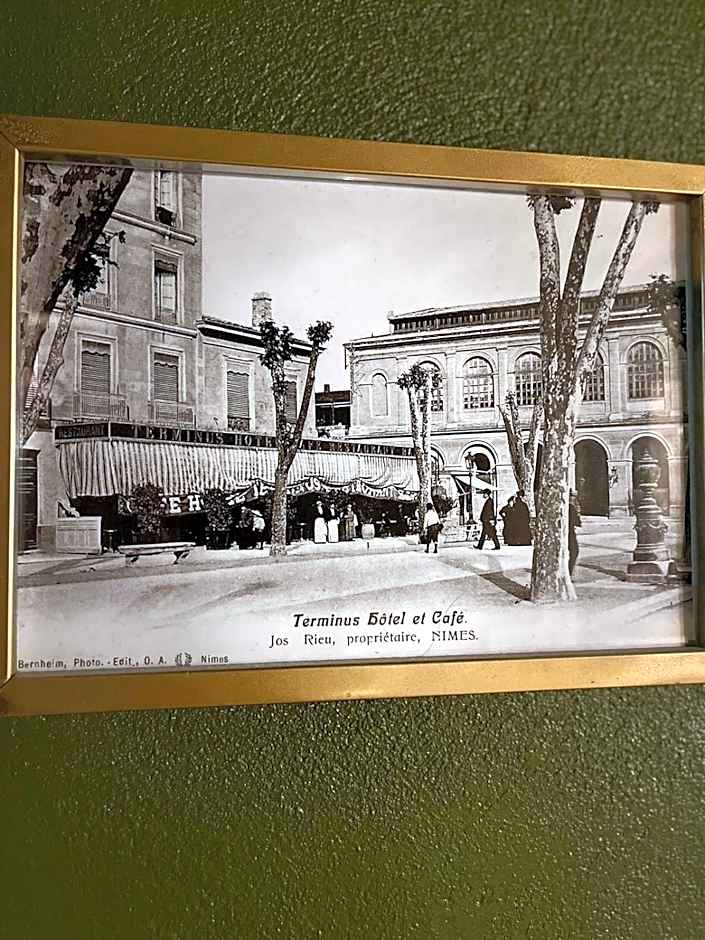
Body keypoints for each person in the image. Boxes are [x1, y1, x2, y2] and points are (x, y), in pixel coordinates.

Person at [568, 490, 582, 576]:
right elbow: (577, 522)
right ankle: (568, 572)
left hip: (566, 533)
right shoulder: (571, 508)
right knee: (574, 551)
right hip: (570, 534)